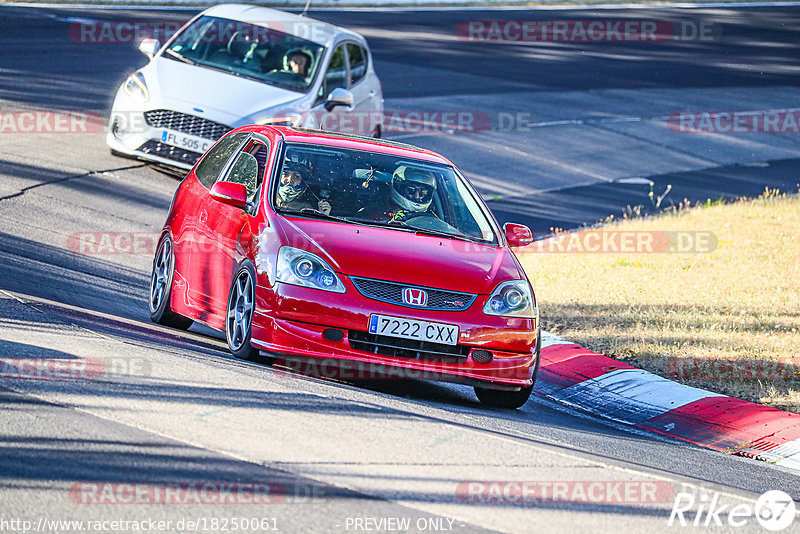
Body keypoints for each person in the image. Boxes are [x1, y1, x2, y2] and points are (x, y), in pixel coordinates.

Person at [358, 166, 437, 222]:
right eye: (411, 190)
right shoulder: (373, 212)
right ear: (399, 187)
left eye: (422, 192)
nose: (417, 196)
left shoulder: (430, 220)